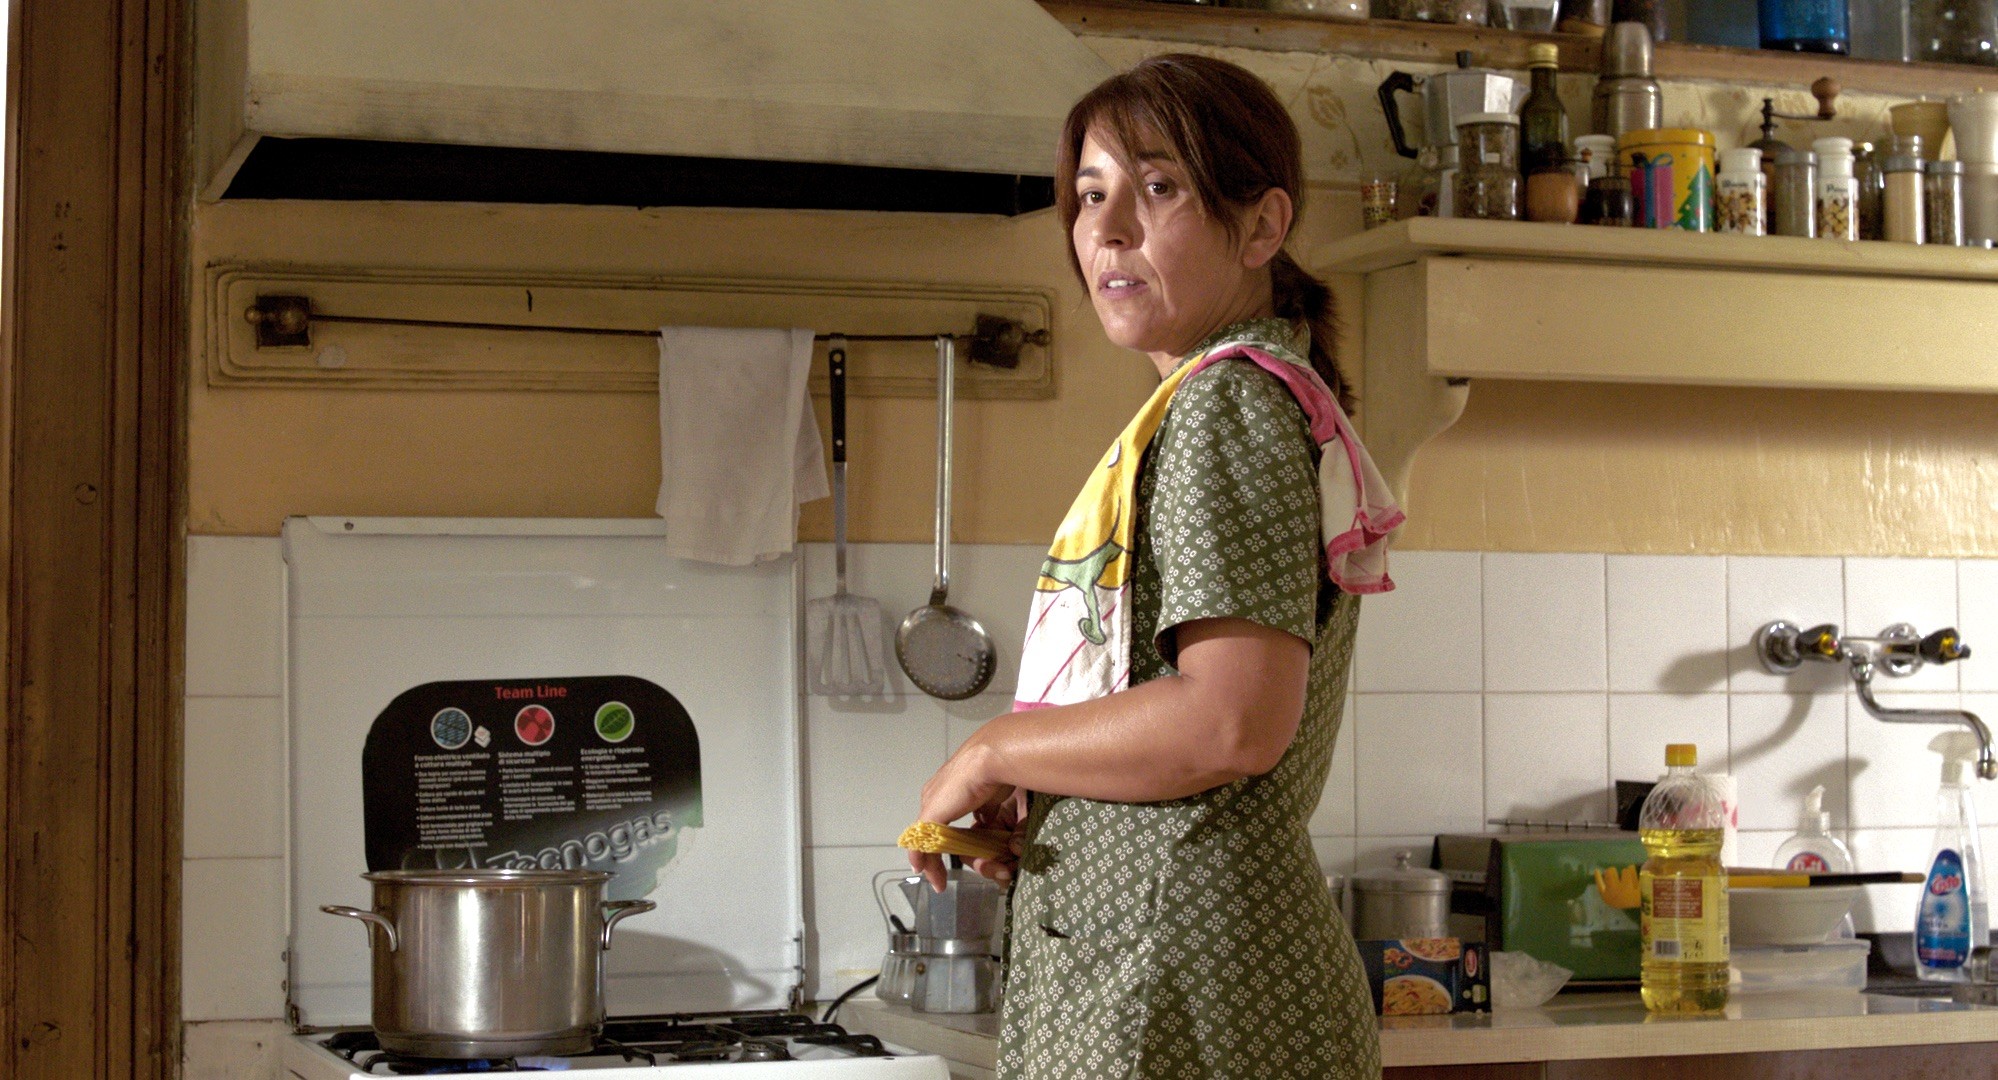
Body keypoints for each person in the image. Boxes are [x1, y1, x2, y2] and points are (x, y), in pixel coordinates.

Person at [908, 54, 1403, 1079]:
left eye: (1159, 187)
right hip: (1170, 984)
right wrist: (1053, 782)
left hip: (1184, 996)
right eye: (1091, 196)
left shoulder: (1227, 406)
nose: (1109, 229)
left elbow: (1230, 722)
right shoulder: (1227, 400)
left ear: (1261, 227)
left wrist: (997, 749)